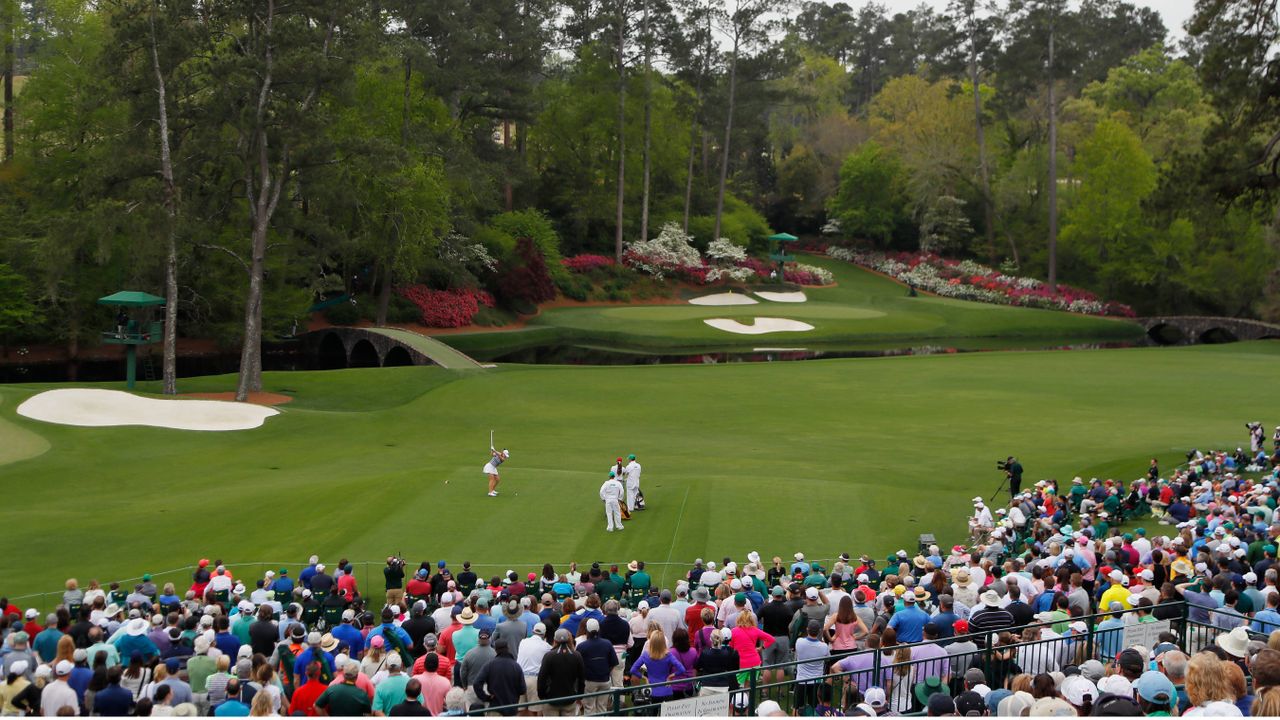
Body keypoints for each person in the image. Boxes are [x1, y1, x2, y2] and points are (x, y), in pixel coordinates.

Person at [537, 629, 585, 716]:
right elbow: (581, 678)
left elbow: (542, 678)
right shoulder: (577, 655)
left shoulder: (549, 656)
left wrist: (542, 695)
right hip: (569, 698)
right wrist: (580, 695)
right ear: (569, 639)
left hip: (551, 698)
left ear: (555, 640)